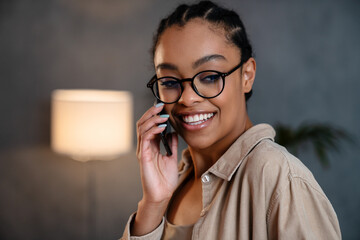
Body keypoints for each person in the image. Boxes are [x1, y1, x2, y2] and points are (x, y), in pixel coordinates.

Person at [121, 1, 341, 239]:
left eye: (209, 77)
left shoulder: (280, 178)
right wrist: (153, 204)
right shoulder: (171, 186)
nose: (187, 98)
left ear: (247, 75)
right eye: (170, 82)